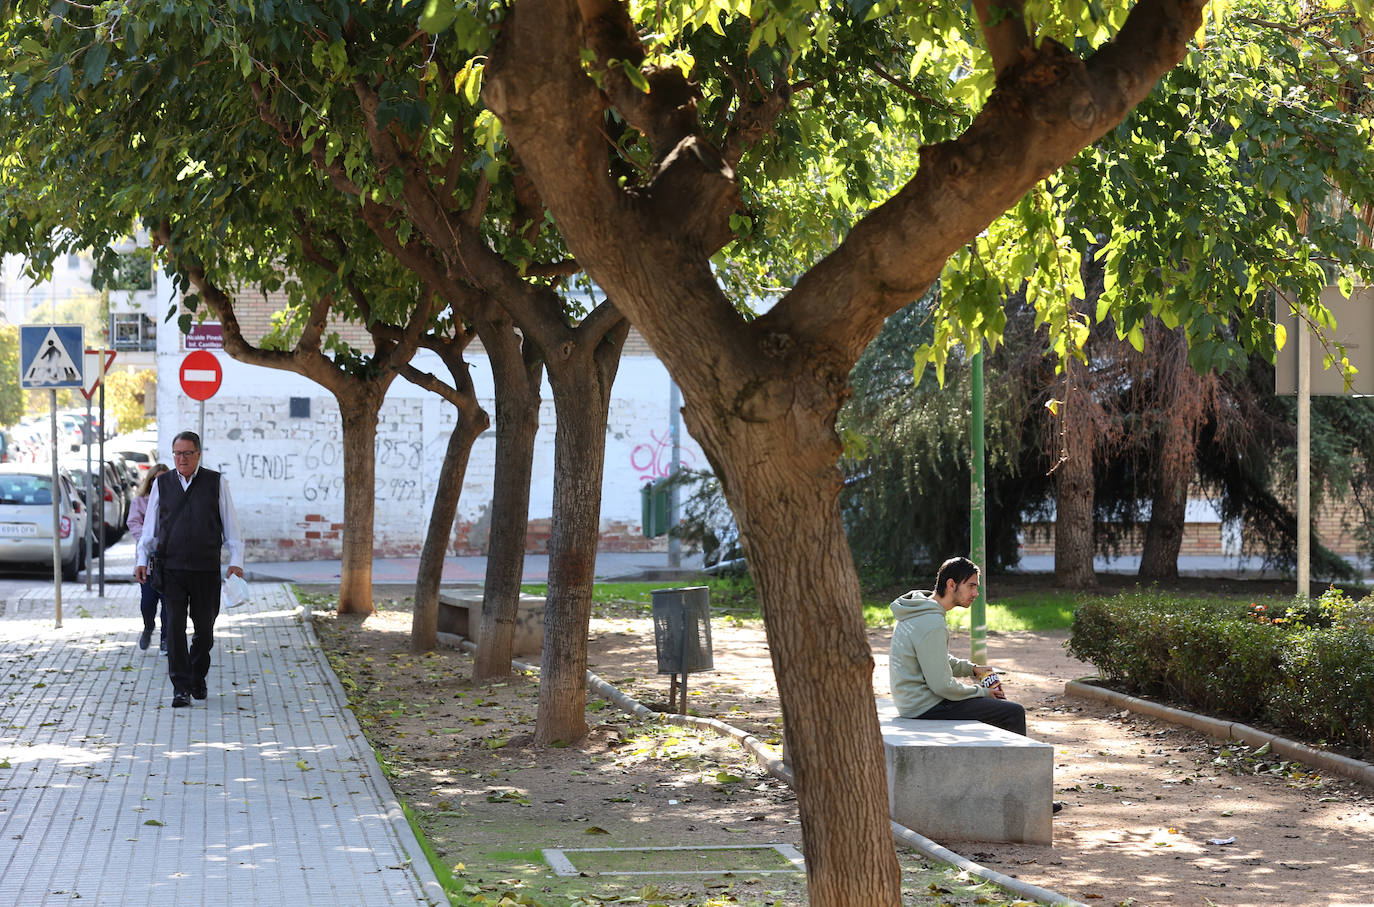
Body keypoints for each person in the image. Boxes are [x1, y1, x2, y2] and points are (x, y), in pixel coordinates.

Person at [135, 432, 244, 709]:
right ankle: (180, 687)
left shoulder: (216, 482)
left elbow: (230, 524)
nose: (181, 459)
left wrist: (236, 559)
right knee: (173, 628)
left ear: (198, 454)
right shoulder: (162, 483)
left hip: (206, 568)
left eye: (187, 453)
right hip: (171, 567)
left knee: (205, 631)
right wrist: (141, 559)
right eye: (177, 453)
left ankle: (198, 675)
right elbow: (150, 527)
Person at [888, 556, 1027, 735]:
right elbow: (942, 686)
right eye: (971, 585)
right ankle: (1011, 763)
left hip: (911, 702)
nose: (976, 593)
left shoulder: (917, 610)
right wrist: (982, 692)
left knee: (995, 709)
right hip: (925, 706)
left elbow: (937, 660)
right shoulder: (932, 622)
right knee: (1013, 712)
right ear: (952, 585)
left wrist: (972, 669)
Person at [128, 463, 171, 655]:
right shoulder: (140, 502)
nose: (158, 483)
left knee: (168, 604)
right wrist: (146, 538)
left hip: (169, 558)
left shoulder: (174, 500)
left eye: (163, 479)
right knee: (148, 602)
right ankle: (148, 627)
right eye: (155, 479)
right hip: (148, 561)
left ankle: (166, 640)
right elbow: (134, 522)